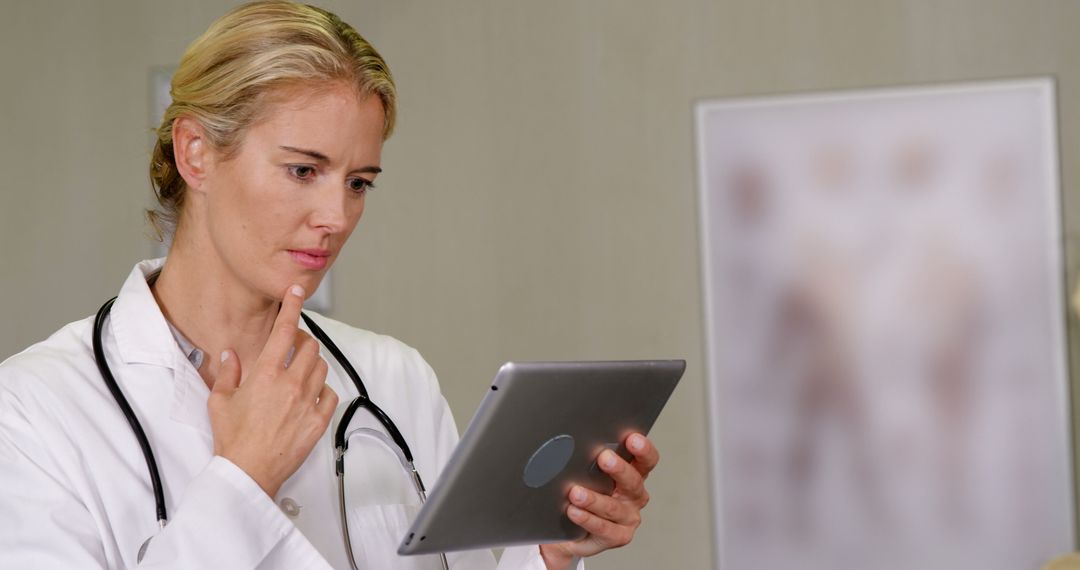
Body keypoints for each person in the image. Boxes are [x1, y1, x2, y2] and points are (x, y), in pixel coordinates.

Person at [0, 2, 660, 568]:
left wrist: (546, 549)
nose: (337, 218)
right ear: (195, 151)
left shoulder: (394, 378)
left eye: (358, 182)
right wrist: (241, 481)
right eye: (302, 170)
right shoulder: (33, 410)